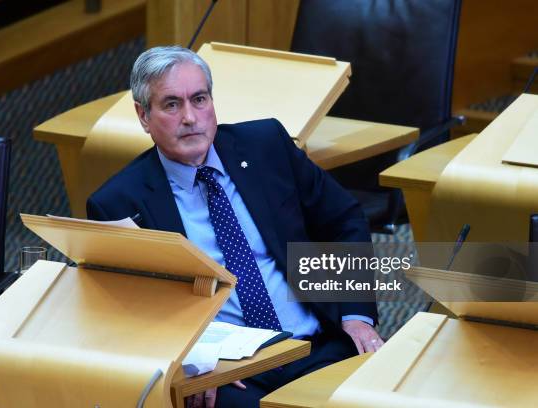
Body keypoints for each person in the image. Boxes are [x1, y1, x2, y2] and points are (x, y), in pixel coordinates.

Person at [87, 46, 383, 408]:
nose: (190, 118)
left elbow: (343, 220)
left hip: (317, 342)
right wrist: (190, 360)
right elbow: (129, 312)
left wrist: (355, 315)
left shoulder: (266, 145)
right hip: (228, 371)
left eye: (199, 99)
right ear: (143, 116)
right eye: (171, 105)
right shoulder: (120, 203)